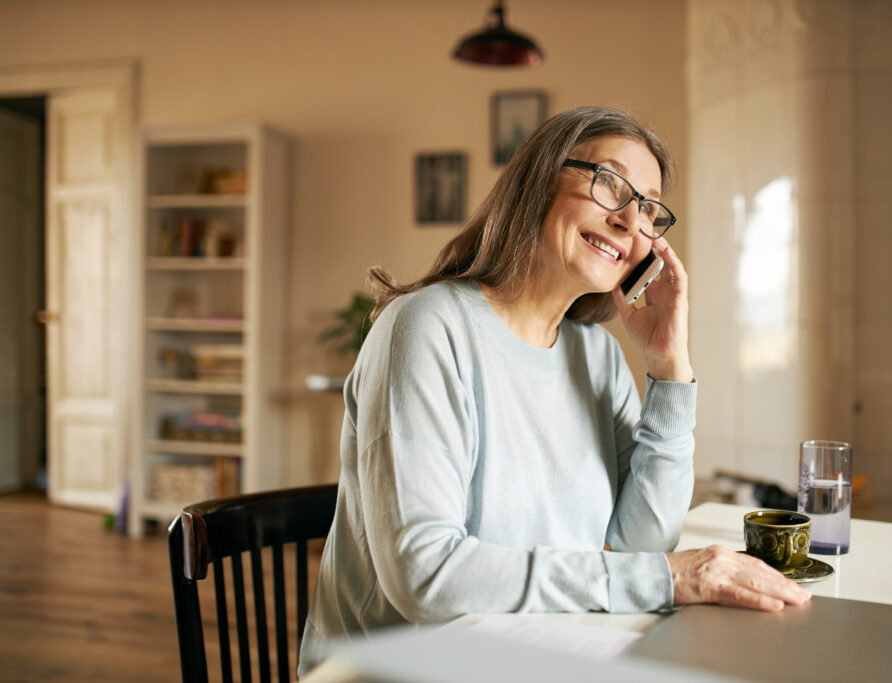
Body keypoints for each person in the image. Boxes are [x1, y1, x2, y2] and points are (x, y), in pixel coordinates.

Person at [298, 105, 810, 675]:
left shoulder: (596, 356)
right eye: (610, 184)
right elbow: (426, 577)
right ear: (538, 179)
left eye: (647, 210)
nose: (629, 221)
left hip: (545, 653)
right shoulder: (426, 327)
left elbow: (642, 544)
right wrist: (672, 577)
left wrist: (670, 370)